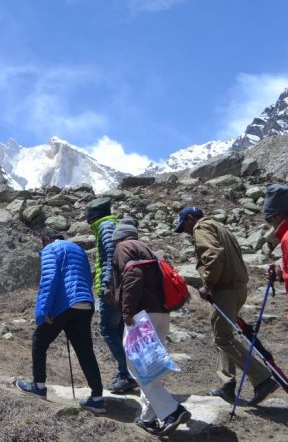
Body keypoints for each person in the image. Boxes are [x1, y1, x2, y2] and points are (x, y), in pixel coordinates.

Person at [174, 206, 279, 405]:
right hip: (238, 288)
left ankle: (262, 379)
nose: (186, 231)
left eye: (184, 226)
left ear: (190, 218)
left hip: (225, 290)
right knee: (225, 334)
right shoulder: (219, 226)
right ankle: (226, 384)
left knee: (222, 337)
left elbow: (214, 254)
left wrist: (208, 284)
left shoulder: (201, 228)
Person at [111, 223, 191, 436]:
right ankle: (149, 417)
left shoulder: (124, 248)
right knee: (152, 367)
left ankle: (172, 410)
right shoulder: (149, 251)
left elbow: (133, 276)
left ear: (120, 238)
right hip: (161, 314)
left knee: (138, 367)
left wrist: (127, 311)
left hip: (141, 317)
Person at [16, 229, 105, 413]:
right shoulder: (78, 250)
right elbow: (87, 276)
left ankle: (38, 387)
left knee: (39, 341)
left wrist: (43, 311)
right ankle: (97, 398)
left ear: (47, 239)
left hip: (65, 304)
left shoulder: (51, 249)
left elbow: (49, 279)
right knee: (85, 351)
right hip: (85, 302)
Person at [86, 198, 136, 393]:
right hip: (120, 287)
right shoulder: (111, 225)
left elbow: (110, 255)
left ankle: (127, 373)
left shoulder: (105, 226)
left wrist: (107, 284)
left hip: (111, 288)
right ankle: (126, 372)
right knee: (121, 332)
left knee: (107, 329)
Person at [263, 184, 288, 293]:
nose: (271, 225)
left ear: (277, 215)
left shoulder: (287, 239)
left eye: (269, 219)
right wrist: (281, 270)